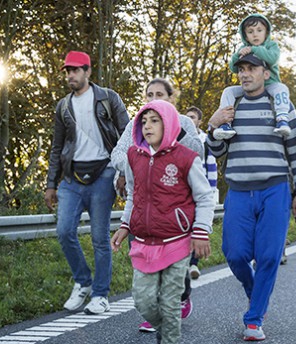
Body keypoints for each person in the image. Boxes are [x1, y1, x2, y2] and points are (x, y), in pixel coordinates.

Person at [206, 53, 296, 341]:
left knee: (268, 256)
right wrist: (213, 127)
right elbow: (216, 152)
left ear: (266, 73)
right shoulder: (231, 105)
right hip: (238, 190)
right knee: (235, 254)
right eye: (242, 70)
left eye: (252, 69)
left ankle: (254, 319)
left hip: (275, 189)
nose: (245, 74)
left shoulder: (282, 106)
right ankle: (256, 295)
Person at [110, 100, 215, 344]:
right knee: (142, 300)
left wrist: (200, 232)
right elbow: (132, 197)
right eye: (144, 122)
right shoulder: (133, 158)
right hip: (144, 244)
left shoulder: (186, 159)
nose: (147, 126)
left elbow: (204, 197)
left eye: (154, 121)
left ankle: (168, 335)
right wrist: (125, 226)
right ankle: (166, 328)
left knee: (169, 303)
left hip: (177, 243)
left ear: (168, 124)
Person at [44, 51, 129, 314]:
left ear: (88, 72)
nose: (70, 75)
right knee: (64, 231)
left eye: (75, 70)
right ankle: (83, 282)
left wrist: (124, 171)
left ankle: (100, 295)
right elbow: (57, 146)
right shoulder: (63, 106)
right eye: (67, 71)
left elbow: (127, 134)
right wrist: (51, 183)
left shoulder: (107, 98)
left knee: (99, 238)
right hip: (71, 177)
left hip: (103, 173)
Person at [213, 13, 291, 140]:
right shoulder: (244, 48)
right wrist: (238, 55)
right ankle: (225, 124)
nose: (255, 34)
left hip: (271, 84)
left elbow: (272, 58)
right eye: (250, 31)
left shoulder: (271, 46)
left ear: (266, 32)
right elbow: (233, 68)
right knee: (228, 91)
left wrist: (254, 49)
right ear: (245, 35)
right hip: (248, 87)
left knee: (282, 89)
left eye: (259, 30)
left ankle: (282, 119)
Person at [185, 106, 218, 279]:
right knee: (186, 228)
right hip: (183, 191)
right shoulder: (179, 138)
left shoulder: (205, 141)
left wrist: (211, 192)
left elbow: (212, 167)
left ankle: (193, 264)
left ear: (199, 121)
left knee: (197, 227)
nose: (189, 120)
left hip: (201, 190)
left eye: (192, 117)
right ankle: (184, 262)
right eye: (187, 117)